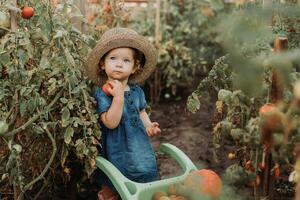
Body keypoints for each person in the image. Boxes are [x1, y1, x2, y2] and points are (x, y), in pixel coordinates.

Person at [85, 28, 161, 200]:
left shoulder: (137, 91)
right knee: (113, 184)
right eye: (113, 58)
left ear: (135, 67)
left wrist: (148, 126)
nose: (119, 64)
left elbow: (141, 111)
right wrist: (118, 97)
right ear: (102, 64)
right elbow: (110, 122)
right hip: (116, 148)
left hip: (138, 145)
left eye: (126, 60)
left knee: (143, 176)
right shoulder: (102, 93)